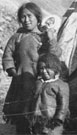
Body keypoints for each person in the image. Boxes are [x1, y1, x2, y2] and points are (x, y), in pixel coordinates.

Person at [2, 2, 61, 134]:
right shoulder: (17, 36)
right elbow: (8, 55)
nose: (26, 20)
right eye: (23, 17)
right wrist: (13, 72)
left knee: (38, 112)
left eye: (30, 16)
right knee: (21, 114)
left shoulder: (44, 37)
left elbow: (55, 55)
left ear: (38, 18)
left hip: (40, 81)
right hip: (21, 81)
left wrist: (51, 39)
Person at [32, 53, 69, 135]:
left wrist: (58, 120)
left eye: (48, 68)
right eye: (42, 68)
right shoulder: (37, 83)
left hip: (52, 122)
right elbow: (31, 99)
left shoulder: (61, 85)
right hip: (37, 120)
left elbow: (63, 105)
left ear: (55, 68)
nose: (44, 71)